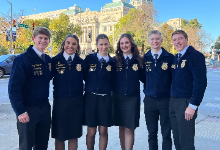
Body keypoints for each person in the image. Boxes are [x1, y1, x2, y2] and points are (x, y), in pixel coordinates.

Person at [8, 26, 52, 150]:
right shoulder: (22, 60)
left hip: (44, 108)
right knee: (26, 145)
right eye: (40, 38)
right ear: (33, 39)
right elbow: (14, 88)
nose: (43, 41)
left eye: (46, 38)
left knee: (42, 144)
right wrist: (20, 111)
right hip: (27, 109)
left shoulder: (48, 60)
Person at [170, 30, 207, 150]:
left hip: (186, 103)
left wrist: (193, 105)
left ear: (186, 39)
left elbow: (200, 82)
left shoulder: (195, 56)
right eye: (174, 40)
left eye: (180, 38)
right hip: (173, 102)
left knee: (186, 141)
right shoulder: (176, 57)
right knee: (177, 138)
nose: (177, 42)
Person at [51, 34, 86, 150]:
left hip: (76, 103)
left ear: (77, 46)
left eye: (74, 44)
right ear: (64, 44)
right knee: (59, 136)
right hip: (60, 103)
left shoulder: (81, 62)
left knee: (73, 135)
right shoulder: (55, 61)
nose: (70, 46)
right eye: (68, 43)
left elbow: (90, 79)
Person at [113, 33, 145, 150]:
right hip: (118, 97)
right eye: (122, 43)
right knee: (121, 127)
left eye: (126, 42)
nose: (124, 45)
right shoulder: (115, 61)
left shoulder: (139, 61)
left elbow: (146, 78)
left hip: (132, 98)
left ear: (131, 44)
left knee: (129, 128)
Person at [84, 34, 116, 150]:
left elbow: (114, 81)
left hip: (105, 99)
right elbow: (83, 75)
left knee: (103, 130)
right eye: (101, 44)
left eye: (106, 44)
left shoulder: (113, 62)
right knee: (91, 131)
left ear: (109, 44)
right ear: (96, 45)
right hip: (91, 98)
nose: (104, 47)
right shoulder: (89, 59)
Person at [143, 30, 173, 150]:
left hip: (165, 100)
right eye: (152, 39)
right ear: (148, 41)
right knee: (151, 134)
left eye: (157, 39)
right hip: (149, 100)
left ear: (161, 40)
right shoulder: (144, 58)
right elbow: (141, 76)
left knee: (166, 133)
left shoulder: (170, 57)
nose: (155, 41)